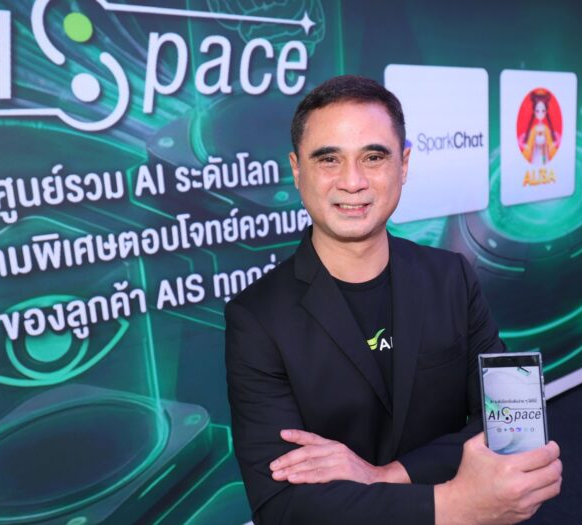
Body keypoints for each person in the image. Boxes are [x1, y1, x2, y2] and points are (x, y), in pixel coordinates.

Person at [224, 75, 562, 525]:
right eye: (329, 159)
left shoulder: (453, 277)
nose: (352, 181)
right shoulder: (257, 317)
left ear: (403, 165)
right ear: (297, 170)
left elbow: (510, 423)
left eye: (373, 157)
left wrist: (387, 475)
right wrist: (454, 505)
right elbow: (283, 506)